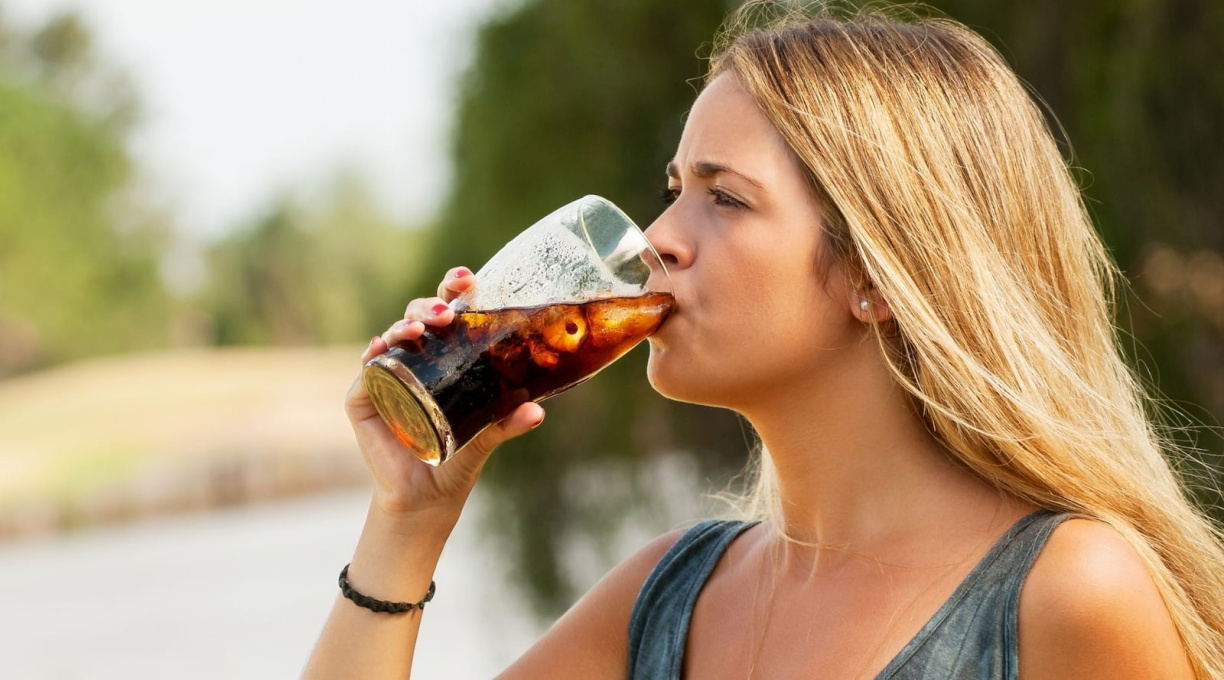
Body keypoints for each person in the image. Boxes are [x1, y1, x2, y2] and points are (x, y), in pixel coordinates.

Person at [304, 3, 1224, 678]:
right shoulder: (661, 600)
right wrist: (407, 521)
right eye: (675, 187)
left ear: (875, 273)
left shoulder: (1065, 596)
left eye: (725, 197)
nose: (660, 236)